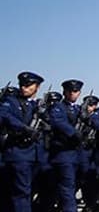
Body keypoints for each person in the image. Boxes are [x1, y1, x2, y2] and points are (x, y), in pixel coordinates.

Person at [0, 71, 44, 212]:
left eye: (28, 85)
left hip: (33, 154)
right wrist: (24, 128)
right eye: (22, 85)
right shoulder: (11, 101)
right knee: (21, 192)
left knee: (17, 191)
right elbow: (4, 115)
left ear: (37, 87)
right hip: (18, 152)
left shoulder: (36, 106)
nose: (24, 88)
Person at [48, 79, 84, 212]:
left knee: (72, 184)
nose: (72, 94)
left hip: (76, 153)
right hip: (63, 152)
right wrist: (73, 132)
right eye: (70, 91)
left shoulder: (78, 109)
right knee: (67, 185)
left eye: (75, 91)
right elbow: (58, 122)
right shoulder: (58, 107)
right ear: (64, 92)